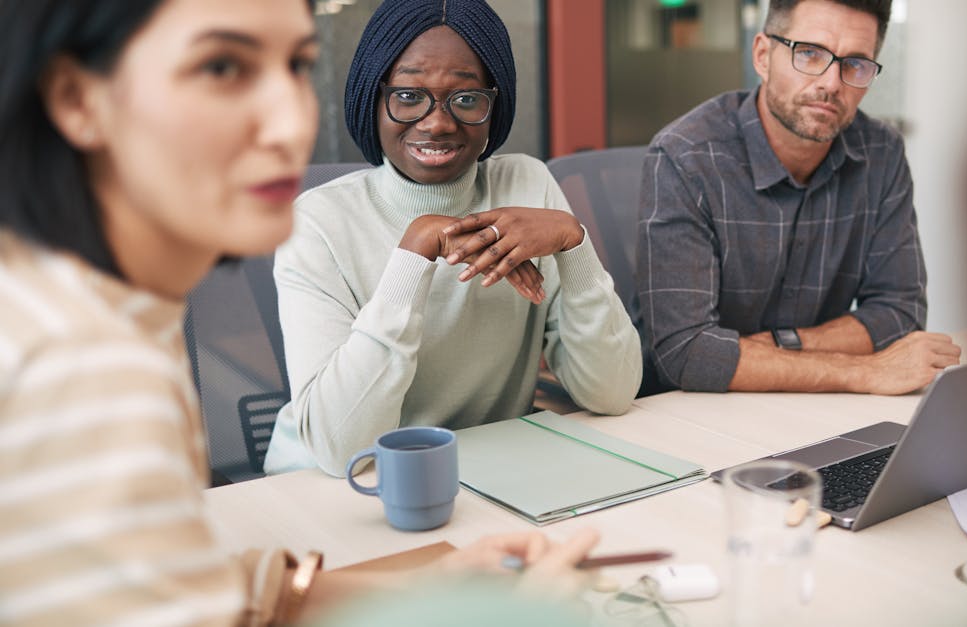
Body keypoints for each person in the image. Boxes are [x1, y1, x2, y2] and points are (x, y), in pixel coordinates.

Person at [0, 1, 598, 624]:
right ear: (78, 99)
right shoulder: (70, 366)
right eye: (222, 66)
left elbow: (197, 592)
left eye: (296, 65)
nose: (292, 121)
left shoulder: (104, 312)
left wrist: (432, 586)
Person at [263, 0, 641, 477]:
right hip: (329, 485)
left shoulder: (527, 187)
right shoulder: (317, 223)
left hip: (481, 470)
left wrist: (574, 242)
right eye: (408, 95)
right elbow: (342, 450)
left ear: (493, 105)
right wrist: (413, 255)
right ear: (372, 98)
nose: (438, 122)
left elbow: (612, 393)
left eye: (465, 99)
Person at [636, 0, 960, 395]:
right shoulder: (685, 157)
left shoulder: (882, 152)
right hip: (694, 414)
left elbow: (900, 314)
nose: (831, 84)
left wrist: (779, 346)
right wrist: (863, 371)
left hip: (818, 413)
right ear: (762, 55)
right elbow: (685, 354)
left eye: (855, 63)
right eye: (809, 54)